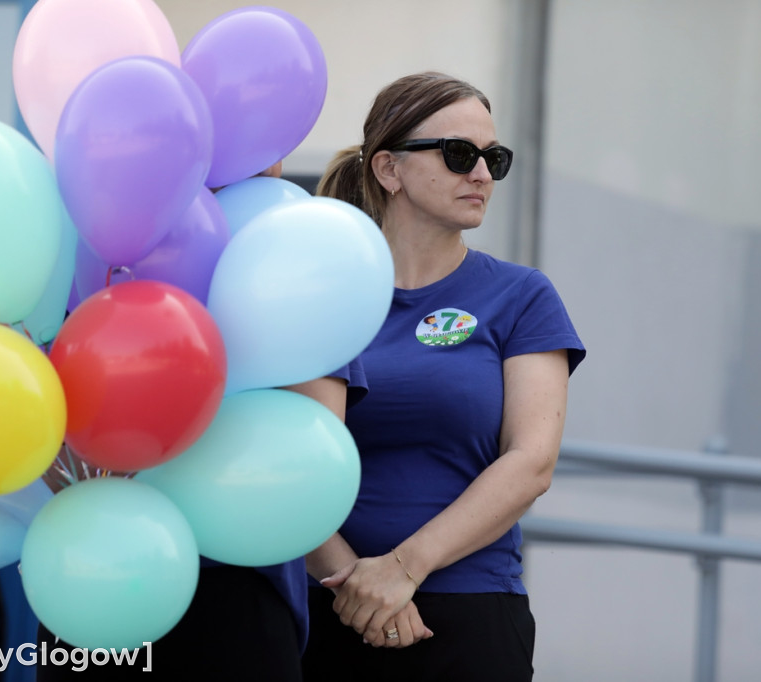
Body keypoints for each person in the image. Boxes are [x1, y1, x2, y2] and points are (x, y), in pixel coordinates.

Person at [301, 71, 586, 682]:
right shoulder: (326, 296)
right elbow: (293, 461)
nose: (481, 174)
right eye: (459, 154)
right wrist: (355, 587)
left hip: (470, 612)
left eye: (494, 158)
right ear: (389, 169)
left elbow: (531, 463)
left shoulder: (522, 296)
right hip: (329, 605)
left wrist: (401, 571)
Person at [35, 162, 366, 680]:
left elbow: (314, 447)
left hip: (233, 578)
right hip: (90, 566)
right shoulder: (82, 246)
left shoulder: (289, 260)